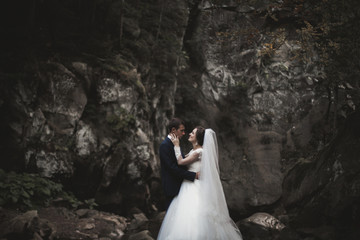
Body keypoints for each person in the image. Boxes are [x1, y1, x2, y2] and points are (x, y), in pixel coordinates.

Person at [157, 127, 243, 240]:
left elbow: (181, 162)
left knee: (193, 214)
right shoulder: (193, 151)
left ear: (198, 138)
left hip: (193, 187)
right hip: (187, 185)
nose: (190, 134)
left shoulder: (199, 152)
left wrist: (176, 145)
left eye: (193, 133)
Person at [159, 118, 199, 210]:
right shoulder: (165, 145)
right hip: (172, 187)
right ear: (173, 130)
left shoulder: (175, 143)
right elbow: (172, 168)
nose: (184, 133)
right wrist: (193, 175)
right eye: (182, 130)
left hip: (181, 186)